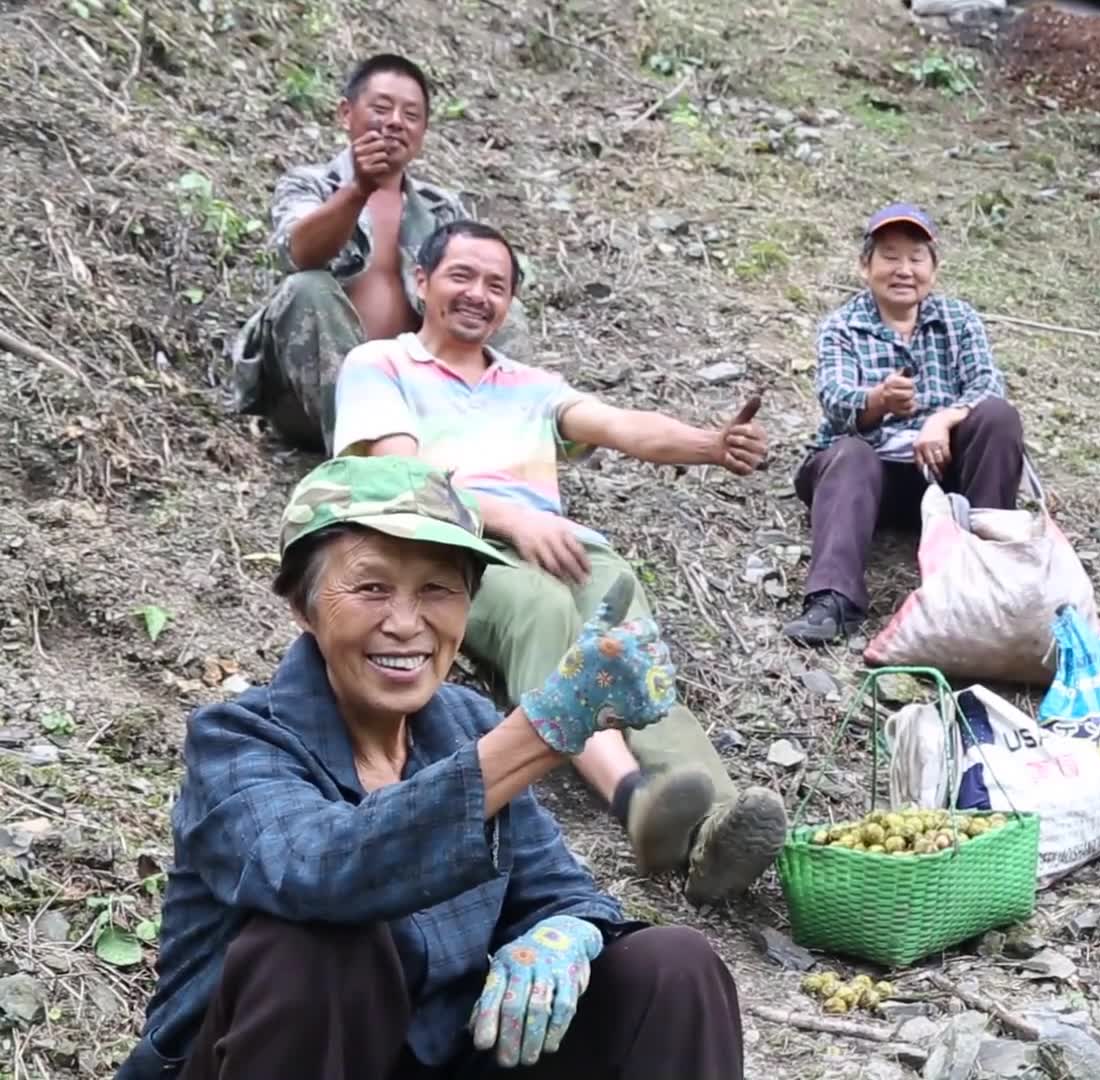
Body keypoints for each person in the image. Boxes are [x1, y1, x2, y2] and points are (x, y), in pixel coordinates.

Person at [116, 455, 743, 1080]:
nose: (406, 623)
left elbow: (557, 891)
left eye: (438, 589)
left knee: (671, 965)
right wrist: (541, 732)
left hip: (438, 1059)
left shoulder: (463, 725)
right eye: (371, 588)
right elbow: (320, 869)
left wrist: (564, 933)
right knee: (319, 948)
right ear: (303, 607)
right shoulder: (238, 739)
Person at [331, 220, 786, 904]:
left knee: (630, 643)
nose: (479, 295)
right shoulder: (380, 364)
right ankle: (634, 799)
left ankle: (713, 825)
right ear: (421, 282)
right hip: (446, 545)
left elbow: (619, 424)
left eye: (497, 285)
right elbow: (403, 473)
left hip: (558, 544)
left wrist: (711, 444)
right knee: (543, 610)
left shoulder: (529, 384)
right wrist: (514, 519)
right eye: (462, 276)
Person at [227, 54, 526, 453]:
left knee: (502, 307)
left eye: (411, 115)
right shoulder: (311, 185)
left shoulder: (441, 210)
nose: (395, 122)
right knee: (308, 288)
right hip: (307, 398)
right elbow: (298, 254)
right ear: (346, 114)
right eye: (381, 108)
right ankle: (368, 458)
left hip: (411, 395)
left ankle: (491, 444)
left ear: (422, 132)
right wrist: (358, 190)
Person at [785, 203, 1027, 646]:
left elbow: (987, 383)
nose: (904, 270)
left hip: (942, 476)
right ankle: (833, 601)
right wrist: (877, 401)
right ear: (865, 266)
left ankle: (987, 578)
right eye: (890, 256)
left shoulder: (958, 320)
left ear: (932, 270)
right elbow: (836, 400)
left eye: (916, 258)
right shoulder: (842, 326)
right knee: (851, 453)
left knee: (998, 416)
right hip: (865, 480)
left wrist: (943, 418)